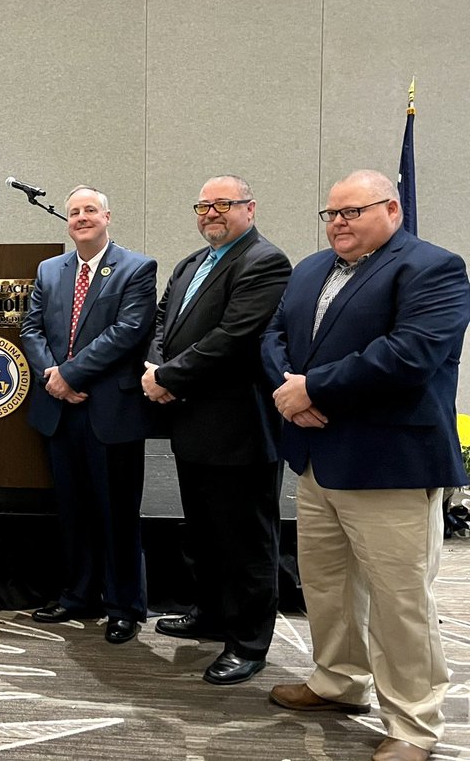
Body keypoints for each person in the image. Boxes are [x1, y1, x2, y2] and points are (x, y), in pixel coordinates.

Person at [262, 170, 470, 761]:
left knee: (400, 601)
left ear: (393, 210)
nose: (338, 223)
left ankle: (412, 725)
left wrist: (314, 390)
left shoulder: (433, 268)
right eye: (330, 214)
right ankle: (338, 680)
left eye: (352, 211)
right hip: (315, 458)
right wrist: (290, 390)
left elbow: (409, 354)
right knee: (327, 586)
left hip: (389, 463)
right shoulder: (308, 270)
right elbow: (274, 336)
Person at [141, 175, 291, 685]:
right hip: (191, 423)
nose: (211, 213)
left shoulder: (264, 261)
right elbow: (163, 323)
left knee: (246, 541)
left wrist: (167, 377)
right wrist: (156, 369)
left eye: (222, 204)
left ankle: (248, 643)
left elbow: (237, 338)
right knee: (203, 532)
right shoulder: (189, 264)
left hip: (239, 428)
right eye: (203, 205)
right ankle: (209, 615)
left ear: (250, 208)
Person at [20, 186, 156, 643]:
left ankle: (123, 604)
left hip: (109, 409)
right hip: (59, 409)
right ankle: (77, 594)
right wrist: (52, 375)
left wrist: (72, 375)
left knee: (117, 511)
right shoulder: (49, 270)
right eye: (74, 211)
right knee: (73, 508)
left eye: (90, 210)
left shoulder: (137, 268)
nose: (81, 217)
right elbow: (31, 328)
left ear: (107, 216)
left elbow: (129, 331)